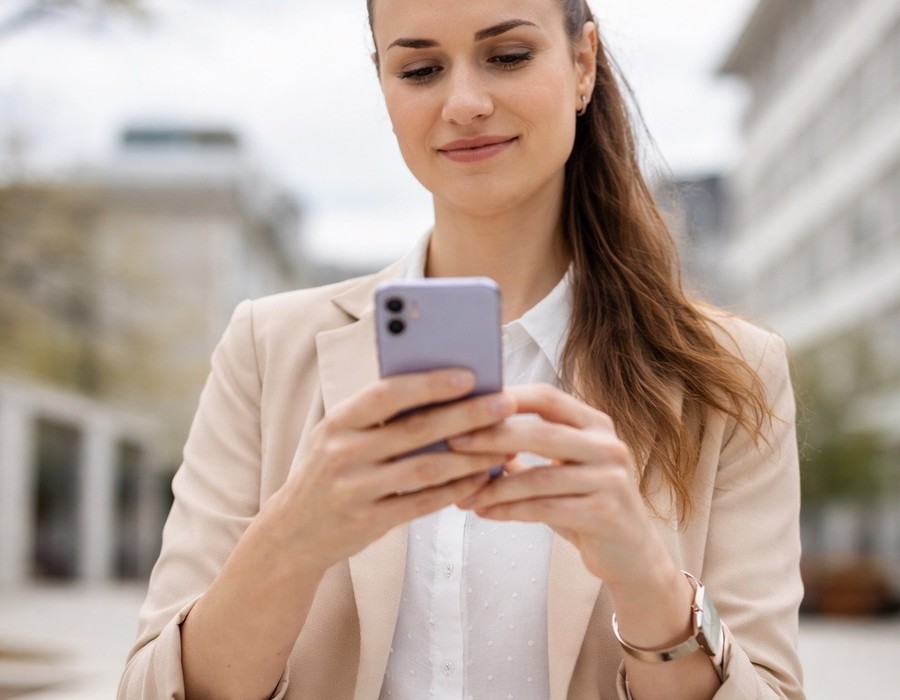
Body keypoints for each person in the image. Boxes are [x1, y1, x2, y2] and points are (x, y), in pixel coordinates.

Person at [118, 0, 805, 698]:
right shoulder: (266, 350)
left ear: (581, 64)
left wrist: (649, 582)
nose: (465, 103)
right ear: (385, 89)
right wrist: (293, 537)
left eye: (507, 57)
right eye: (419, 69)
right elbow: (150, 688)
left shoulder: (732, 372)